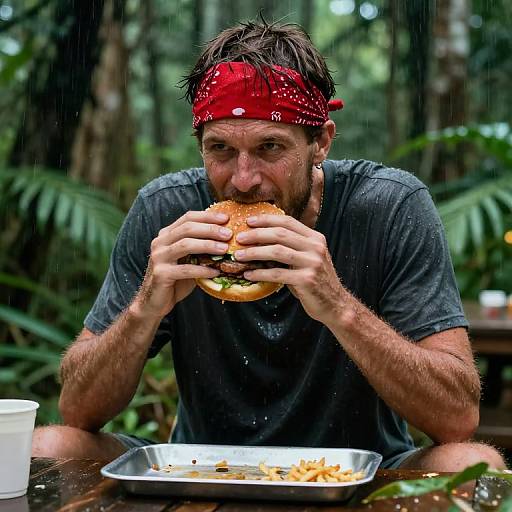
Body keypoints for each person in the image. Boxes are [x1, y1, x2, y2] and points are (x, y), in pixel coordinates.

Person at [33, 20, 505, 471]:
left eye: (270, 148)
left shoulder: (390, 207)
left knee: (472, 462)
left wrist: (338, 305)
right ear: (199, 144)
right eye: (220, 150)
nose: (243, 180)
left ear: (320, 142)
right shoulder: (166, 213)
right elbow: (77, 409)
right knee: (50, 443)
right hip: (203, 464)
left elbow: (457, 417)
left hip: (363, 470)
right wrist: (144, 309)